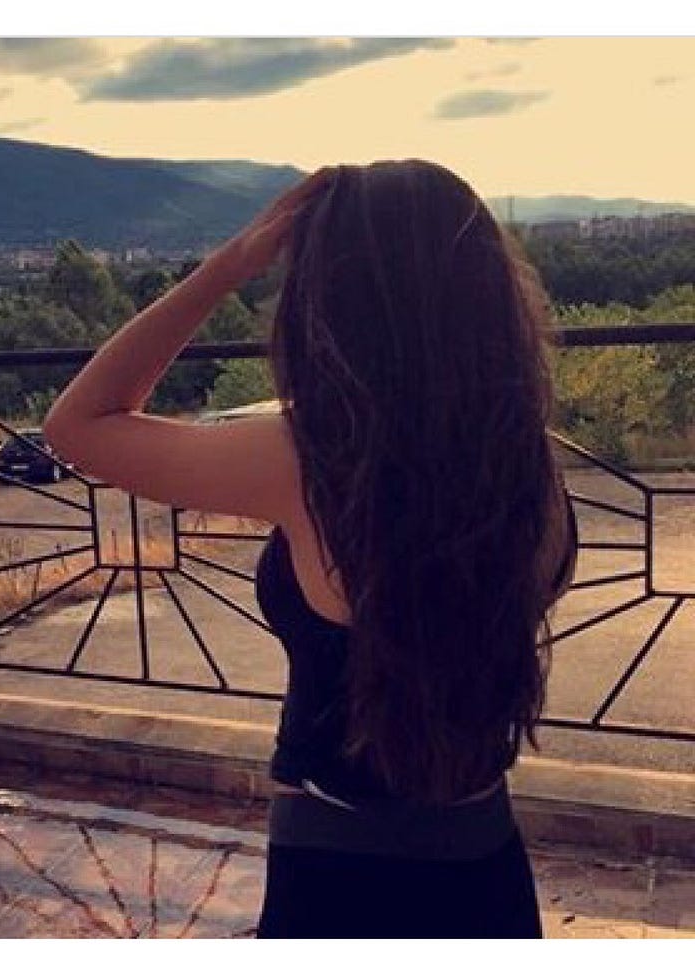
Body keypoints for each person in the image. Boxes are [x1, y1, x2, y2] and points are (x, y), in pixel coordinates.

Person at [42, 160, 576, 939]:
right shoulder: (529, 463)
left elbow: (78, 424)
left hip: (336, 868)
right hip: (487, 857)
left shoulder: (307, 459)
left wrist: (227, 267)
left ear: (332, 301)